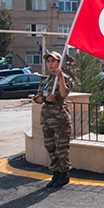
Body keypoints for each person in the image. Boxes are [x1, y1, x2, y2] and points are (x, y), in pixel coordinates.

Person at [33, 51, 74, 188]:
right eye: (48, 61)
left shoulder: (65, 78)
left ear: (59, 63)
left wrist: (61, 77)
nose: (50, 64)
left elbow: (64, 93)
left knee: (61, 149)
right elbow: (36, 98)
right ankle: (55, 173)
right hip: (46, 117)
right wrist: (45, 99)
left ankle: (64, 174)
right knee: (50, 147)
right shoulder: (45, 80)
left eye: (53, 61)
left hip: (60, 118)